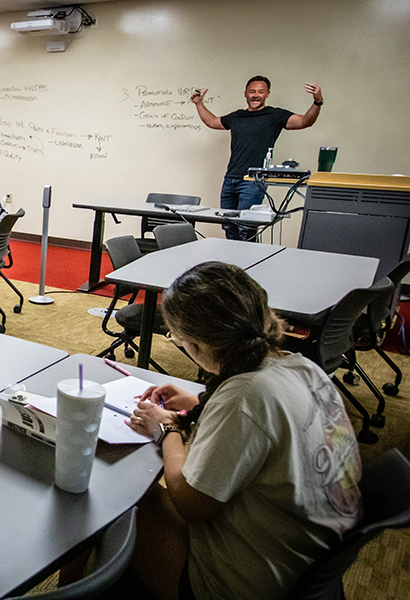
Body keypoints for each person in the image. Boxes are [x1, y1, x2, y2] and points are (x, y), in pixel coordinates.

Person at [120, 261, 361, 600]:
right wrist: (199, 403)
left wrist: (168, 428)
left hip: (245, 584)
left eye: (178, 338)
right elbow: (263, 420)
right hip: (305, 561)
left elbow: (190, 503)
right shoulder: (301, 367)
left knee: (122, 503)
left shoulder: (244, 399)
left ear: (197, 344)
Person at [191, 77, 324, 240]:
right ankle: (232, 264)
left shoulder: (275, 115)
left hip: (252, 182)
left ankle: (247, 264)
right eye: (252, 91)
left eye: (261, 92)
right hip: (230, 179)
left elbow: (305, 121)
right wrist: (199, 103)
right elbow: (212, 122)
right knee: (228, 227)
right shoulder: (237, 116)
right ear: (245, 94)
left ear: (267, 94)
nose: (256, 95)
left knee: (246, 229)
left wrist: (317, 102)